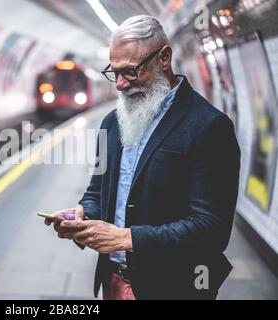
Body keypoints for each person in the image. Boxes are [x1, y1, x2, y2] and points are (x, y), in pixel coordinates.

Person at [44, 15, 240, 300]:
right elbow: (96, 192)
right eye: (114, 72)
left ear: (164, 58)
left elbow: (211, 230)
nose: (120, 85)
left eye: (131, 72)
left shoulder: (209, 127)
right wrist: (83, 214)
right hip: (112, 282)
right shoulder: (111, 123)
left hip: (174, 288)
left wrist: (125, 238)